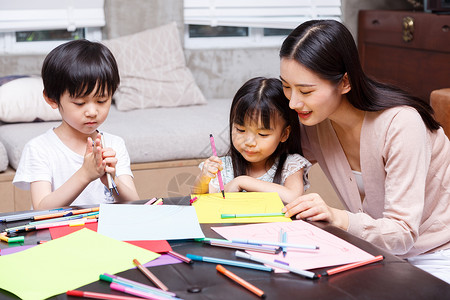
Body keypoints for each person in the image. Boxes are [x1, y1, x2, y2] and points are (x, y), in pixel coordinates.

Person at [279, 19, 450, 283]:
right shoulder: (313, 121)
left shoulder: (401, 124)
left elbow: (402, 233)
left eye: (306, 90)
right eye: (286, 86)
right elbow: (275, 167)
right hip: (376, 253)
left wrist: (336, 216)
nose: (293, 102)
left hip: (437, 255)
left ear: (345, 82)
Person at [13, 39, 140, 209]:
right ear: (52, 99)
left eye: (102, 100)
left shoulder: (114, 144)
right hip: (58, 233)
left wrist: (112, 180)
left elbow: (134, 203)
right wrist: (85, 175)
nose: (92, 111)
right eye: (80, 103)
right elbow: (41, 209)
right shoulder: (39, 148)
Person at [192, 77, 311, 203]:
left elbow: (293, 198)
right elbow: (199, 201)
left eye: (262, 134)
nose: (249, 142)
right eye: (240, 130)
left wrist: (242, 182)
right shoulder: (224, 167)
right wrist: (203, 179)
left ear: (284, 134)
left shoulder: (290, 165)